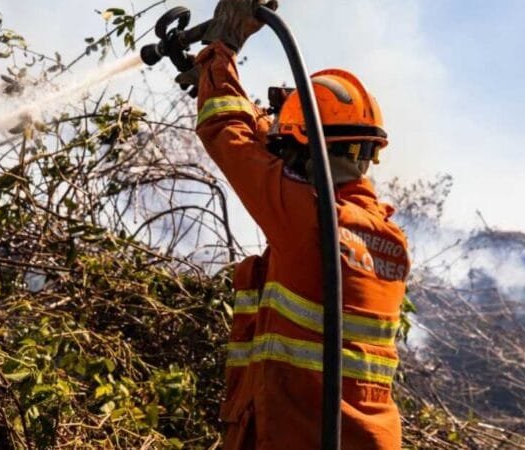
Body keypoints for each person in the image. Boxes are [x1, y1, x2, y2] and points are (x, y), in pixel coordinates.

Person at [176, 1, 410, 448]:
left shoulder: (308, 220)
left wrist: (220, 51)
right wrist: (228, 86)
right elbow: (274, 151)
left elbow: (228, 133)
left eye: (286, 146)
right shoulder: (387, 238)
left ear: (304, 150)